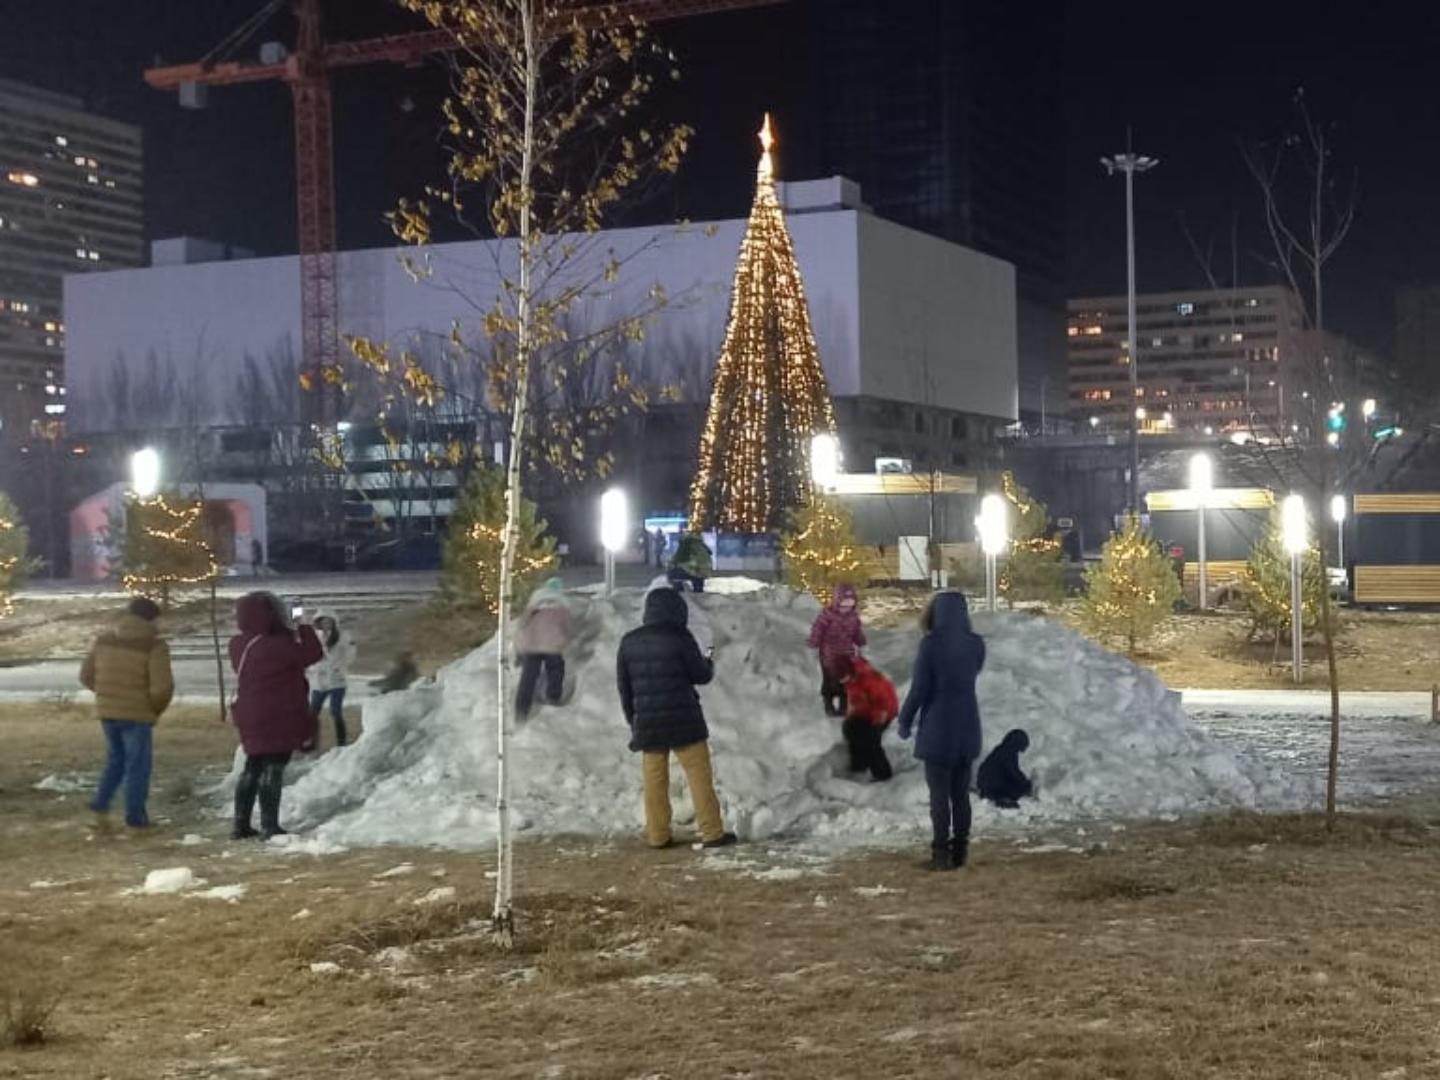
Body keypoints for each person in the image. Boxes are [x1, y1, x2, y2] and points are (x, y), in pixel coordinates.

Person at [617, 587, 736, 850]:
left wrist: (633, 721)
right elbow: (701, 675)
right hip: (685, 720)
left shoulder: (629, 641)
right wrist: (709, 661)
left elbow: (624, 688)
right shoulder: (680, 637)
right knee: (698, 775)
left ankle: (657, 835)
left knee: (654, 781)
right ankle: (712, 832)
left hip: (648, 723)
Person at [896, 591, 986, 872]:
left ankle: (940, 854)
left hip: (938, 727)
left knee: (939, 795)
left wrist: (905, 719)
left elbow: (920, 689)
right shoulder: (976, 645)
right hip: (968, 726)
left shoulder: (931, 646)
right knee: (961, 794)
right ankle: (961, 851)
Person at [229, 592, 323, 840]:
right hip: (278, 712)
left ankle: (241, 825)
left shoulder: (238, 644)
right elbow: (312, 654)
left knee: (252, 765)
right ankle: (270, 825)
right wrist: (301, 623)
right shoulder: (280, 646)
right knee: (274, 766)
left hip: (249, 712)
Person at [79, 596, 175, 829]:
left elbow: (86, 676)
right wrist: (153, 710)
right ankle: (135, 817)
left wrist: (108, 695)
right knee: (137, 767)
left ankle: (101, 804)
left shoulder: (104, 640)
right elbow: (162, 687)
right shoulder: (154, 645)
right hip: (138, 715)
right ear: (152, 619)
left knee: (116, 760)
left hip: (108, 711)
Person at [514, 577, 572, 717]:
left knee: (528, 676)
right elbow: (567, 626)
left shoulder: (535, 601)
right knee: (556, 670)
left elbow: (522, 623)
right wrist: (565, 640)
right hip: (552, 644)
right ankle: (553, 698)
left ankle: (521, 709)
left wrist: (519, 647)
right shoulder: (563, 603)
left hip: (531, 643)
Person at [807, 583, 866, 717]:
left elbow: (857, 633)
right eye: (844, 604)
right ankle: (828, 703)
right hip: (829, 655)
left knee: (846, 681)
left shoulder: (853, 617)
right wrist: (814, 646)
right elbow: (817, 630)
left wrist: (861, 644)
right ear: (837, 601)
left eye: (850, 604)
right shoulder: (827, 615)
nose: (846, 607)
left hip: (847, 655)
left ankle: (843, 706)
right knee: (830, 680)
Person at [838, 656, 898, 781]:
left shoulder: (869, 679)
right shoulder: (851, 681)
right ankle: (859, 766)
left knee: (869, 739)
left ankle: (883, 775)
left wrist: (875, 723)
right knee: (850, 729)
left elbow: (882, 701)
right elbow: (858, 702)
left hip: (883, 712)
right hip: (866, 713)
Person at [306, 612, 357, 746]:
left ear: (334, 622)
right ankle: (312, 741)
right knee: (312, 713)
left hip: (336, 681)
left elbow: (351, 654)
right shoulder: (313, 637)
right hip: (319, 682)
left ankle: (341, 742)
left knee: (336, 712)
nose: (326, 624)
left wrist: (340, 667)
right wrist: (311, 668)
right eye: (323, 621)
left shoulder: (343, 636)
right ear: (318, 623)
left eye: (329, 621)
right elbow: (307, 654)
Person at [977, 729, 1034, 809]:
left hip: (987, 786)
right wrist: (1025, 783)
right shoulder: (1008, 752)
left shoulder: (1002, 750)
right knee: (1020, 788)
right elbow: (1012, 772)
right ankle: (1003, 799)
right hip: (994, 787)